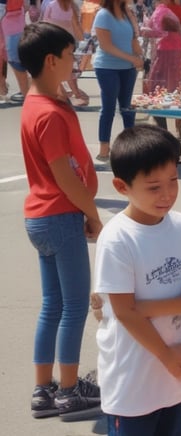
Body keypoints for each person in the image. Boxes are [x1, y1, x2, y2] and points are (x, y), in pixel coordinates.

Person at [94, 125, 181, 435]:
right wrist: (166, 353)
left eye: (173, 181)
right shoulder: (117, 238)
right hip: (132, 380)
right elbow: (125, 311)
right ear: (121, 186)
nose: (167, 194)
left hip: (175, 372)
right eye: (154, 187)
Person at [18, 22, 103, 420]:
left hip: (42, 215)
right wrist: (92, 212)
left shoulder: (37, 102)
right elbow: (64, 175)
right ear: (52, 60)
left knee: (53, 305)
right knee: (73, 308)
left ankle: (43, 389)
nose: (75, 63)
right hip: (59, 214)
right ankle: (69, 390)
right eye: (71, 57)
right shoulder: (49, 113)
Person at [92, 0, 144, 161]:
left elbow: (133, 39)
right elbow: (106, 45)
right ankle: (104, 149)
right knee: (108, 108)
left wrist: (140, 57)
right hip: (107, 67)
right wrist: (131, 58)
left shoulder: (127, 14)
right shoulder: (103, 15)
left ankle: (131, 147)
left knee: (127, 109)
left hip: (128, 68)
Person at [140, 0, 181, 130]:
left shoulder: (161, 11)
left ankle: (162, 129)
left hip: (165, 53)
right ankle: (163, 127)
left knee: (155, 91)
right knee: (164, 90)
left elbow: (159, 33)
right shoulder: (168, 12)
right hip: (173, 52)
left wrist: (142, 29)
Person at [41, 0, 88, 106]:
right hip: (67, 41)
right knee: (69, 69)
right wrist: (83, 41)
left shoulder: (51, 5)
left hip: (52, 40)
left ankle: (61, 94)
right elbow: (76, 25)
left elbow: (45, 22)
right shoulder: (71, 6)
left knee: (54, 69)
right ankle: (76, 94)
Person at [1, 0, 31, 102]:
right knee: (18, 62)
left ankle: (28, 97)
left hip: (11, 22)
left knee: (17, 62)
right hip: (14, 21)